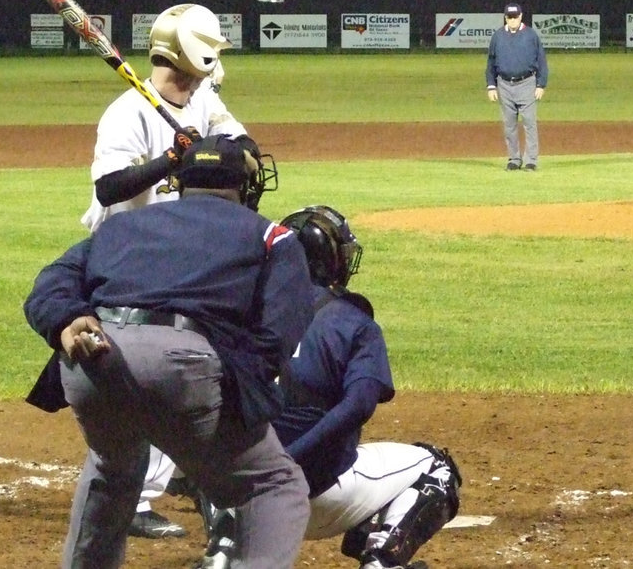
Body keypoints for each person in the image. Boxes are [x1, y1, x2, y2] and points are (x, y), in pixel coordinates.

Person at [24, 134, 316, 569]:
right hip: (182, 365)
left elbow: (51, 280)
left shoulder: (121, 226)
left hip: (91, 358)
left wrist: (66, 318)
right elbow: (277, 335)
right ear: (245, 185)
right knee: (273, 484)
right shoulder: (272, 237)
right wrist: (237, 394)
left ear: (180, 181)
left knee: (113, 466)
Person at [194, 205, 462, 569]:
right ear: (330, 261)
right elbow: (358, 405)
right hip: (319, 495)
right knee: (437, 467)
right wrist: (289, 459)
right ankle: (381, 561)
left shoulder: (239, 314)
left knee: (209, 437)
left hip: (238, 492)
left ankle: (225, 545)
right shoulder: (352, 322)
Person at [81, 3, 246, 538]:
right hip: (128, 261)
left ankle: (182, 474)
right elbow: (109, 188)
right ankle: (136, 497)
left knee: (195, 367)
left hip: (180, 257)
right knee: (147, 382)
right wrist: (169, 163)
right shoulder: (125, 114)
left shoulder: (202, 98)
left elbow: (243, 146)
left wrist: (214, 151)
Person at [485, 3, 547, 171]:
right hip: (504, 84)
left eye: (515, 16)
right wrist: (491, 85)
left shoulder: (531, 35)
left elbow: (541, 61)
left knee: (529, 122)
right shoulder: (498, 36)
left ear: (521, 16)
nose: (512, 20)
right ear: (505, 17)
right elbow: (491, 62)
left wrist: (541, 84)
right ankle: (514, 159)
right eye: (509, 17)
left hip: (527, 83)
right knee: (509, 125)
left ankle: (531, 160)